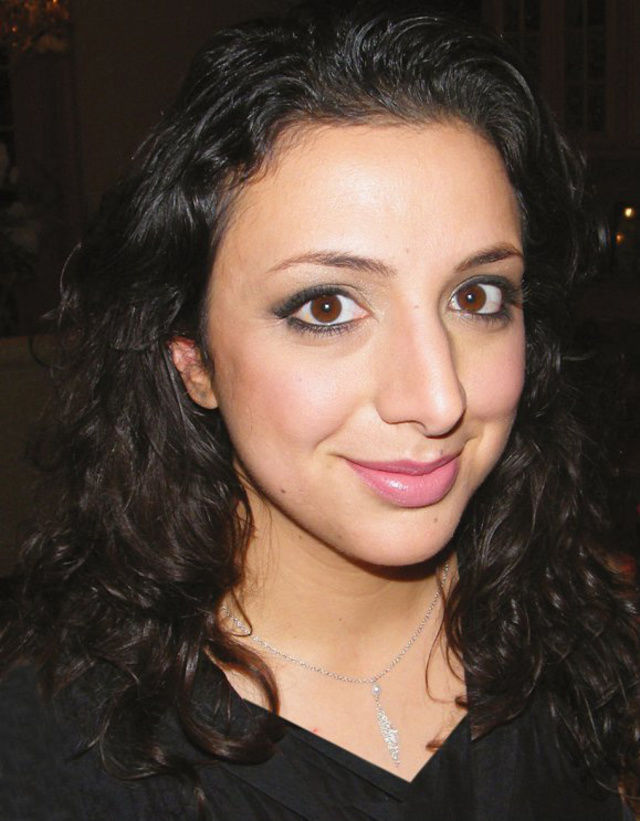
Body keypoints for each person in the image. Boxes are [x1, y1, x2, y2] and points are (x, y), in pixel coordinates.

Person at [0, 1, 638, 818]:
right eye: (327, 307)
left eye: (477, 296)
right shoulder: (59, 758)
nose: (438, 397)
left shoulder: (579, 629)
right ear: (193, 359)